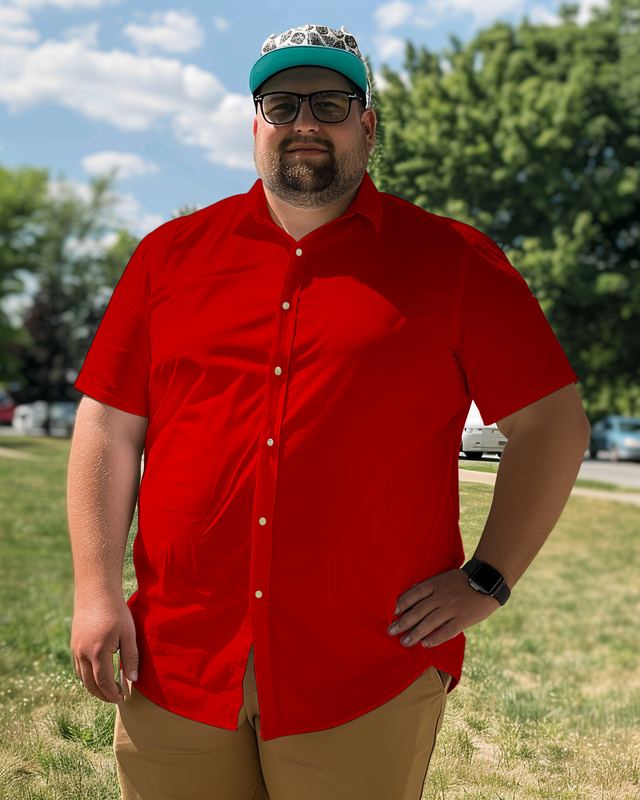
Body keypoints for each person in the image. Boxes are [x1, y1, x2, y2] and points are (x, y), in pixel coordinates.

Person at [67, 22, 590, 800]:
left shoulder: (455, 263)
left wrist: (488, 577)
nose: (304, 122)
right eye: (282, 104)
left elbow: (554, 424)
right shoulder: (168, 259)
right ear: (256, 127)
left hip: (362, 670)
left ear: (367, 126)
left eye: (330, 103)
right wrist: (96, 592)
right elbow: (109, 425)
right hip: (178, 661)